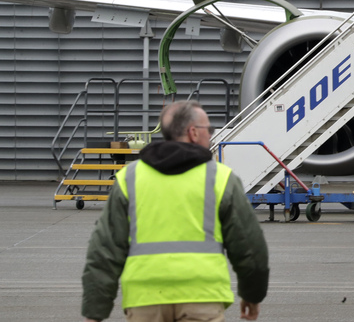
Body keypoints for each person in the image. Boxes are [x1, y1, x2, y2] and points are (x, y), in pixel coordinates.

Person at [81, 101, 269, 322]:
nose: (210, 135)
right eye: (208, 129)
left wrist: (95, 311)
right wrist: (251, 295)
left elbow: (104, 250)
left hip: (145, 300)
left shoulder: (129, 178)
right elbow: (249, 246)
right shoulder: (221, 178)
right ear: (193, 133)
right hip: (202, 298)